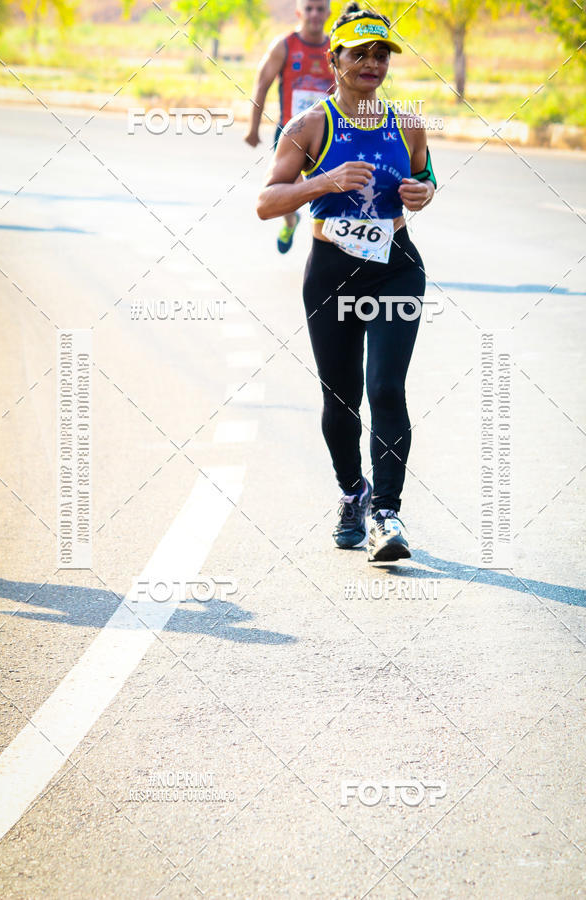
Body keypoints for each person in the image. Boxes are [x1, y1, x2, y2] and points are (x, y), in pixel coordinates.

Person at [256, 2, 437, 562]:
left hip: (395, 268)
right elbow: (267, 202)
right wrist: (324, 182)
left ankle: (386, 513)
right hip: (332, 272)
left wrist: (424, 193)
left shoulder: (407, 122)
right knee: (341, 398)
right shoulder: (309, 126)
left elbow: (426, 177)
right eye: (360, 54)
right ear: (335, 60)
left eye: (381, 55)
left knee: (385, 387)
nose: (372, 64)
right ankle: (352, 491)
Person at [245, 0, 333, 254]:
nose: (314, 14)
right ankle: (290, 220)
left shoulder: (336, 48)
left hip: (328, 134)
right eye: (309, 9)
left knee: (330, 190)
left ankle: (329, 245)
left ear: (328, 13)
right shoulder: (284, 46)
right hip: (291, 134)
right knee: (289, 189)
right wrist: (253, 128)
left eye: (320, 9)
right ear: (298, 12)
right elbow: (262, 84)